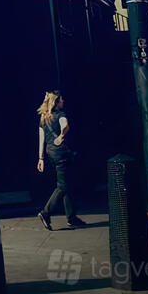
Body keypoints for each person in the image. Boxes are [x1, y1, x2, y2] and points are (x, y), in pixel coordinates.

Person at [36, 89, 87, 230]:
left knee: (66, 184)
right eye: (61, 99)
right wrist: (61, 136)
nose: (63, 101)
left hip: (50, 153)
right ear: (57, 102)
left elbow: (41, 139)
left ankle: (71, 217)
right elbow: (65, 126)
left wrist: (40, 158)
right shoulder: (60, 114)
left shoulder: (43, 118)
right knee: (62, 186)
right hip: (61, 154)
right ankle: (45, 212)